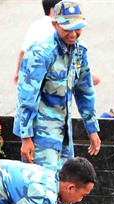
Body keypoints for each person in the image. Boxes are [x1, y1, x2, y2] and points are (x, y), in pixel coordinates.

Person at [15, 0, 101, 171]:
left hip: (64, 135)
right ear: (55, 24)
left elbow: (85, 91)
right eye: (67, 28)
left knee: (65, 187)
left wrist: (92, 129)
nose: (73, 33)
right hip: (40, 136)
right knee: (42, 188)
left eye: (78, 28)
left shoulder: (79, 51)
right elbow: (26, 97)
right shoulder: (41, 53)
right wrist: (26, 138)